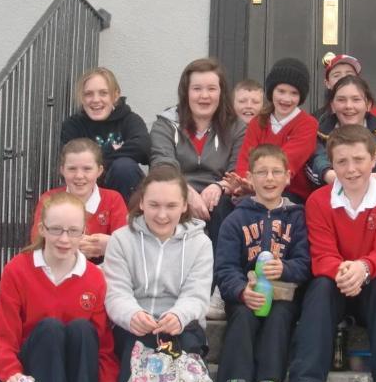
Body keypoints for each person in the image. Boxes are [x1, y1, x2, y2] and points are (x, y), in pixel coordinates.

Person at [103, 165, 221, 382]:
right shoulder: (120, 240)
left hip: (179, 326)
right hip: (135, 324)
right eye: (154, 205)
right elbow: (115, 292)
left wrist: (179, 316)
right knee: (137, 359)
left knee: (183, 366)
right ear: (141, 202)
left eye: (171, 206)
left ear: (184, 205)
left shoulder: (200, 242)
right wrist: (131, 315)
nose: (162, 214)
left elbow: (197, 294)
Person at [0, 191, 119, 382]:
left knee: (82, 329)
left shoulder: (94, 277)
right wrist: (9, 371)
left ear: (85, 232)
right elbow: (5, 333)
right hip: (37, 367)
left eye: (73, 231)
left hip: (76, 368)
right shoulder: (18, 270)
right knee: (50, 328)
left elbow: (102, 344)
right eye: (56, 230)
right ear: (42, 230)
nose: (64, 239)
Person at [287, 125, 376, 382]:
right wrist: (346, 270)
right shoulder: (318, 201)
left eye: (358, 160)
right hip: (337, 281)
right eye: (342, 162)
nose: (351, 169)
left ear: (375, 158)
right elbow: (321, 253)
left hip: (371, 283)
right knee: (320, 288)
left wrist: (363, 267)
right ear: (332, 165)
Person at [214, 145, 311, 382]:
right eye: (262, 172)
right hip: (246, 294)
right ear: (250, 177)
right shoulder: (235, 219)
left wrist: (286, 267)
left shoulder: (298, 218)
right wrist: (240, 291)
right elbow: (225, 267)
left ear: (288, 177)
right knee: (243, 317)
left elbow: (306, 262)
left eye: (276, 172)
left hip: (284, 296)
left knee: (280, 317)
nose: (269, 178)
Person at [149, 57, 246, 243]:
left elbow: (237, 170)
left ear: (221, 92)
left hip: (219, 196)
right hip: (175, 190)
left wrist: (219, 186)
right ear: (186, 93)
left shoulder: (237, 127)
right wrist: (184, 191)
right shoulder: (165, 124)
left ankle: (221, 271)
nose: (204, 96)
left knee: (225, 207)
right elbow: (162, 164)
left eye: (211, 89)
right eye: (197, 89)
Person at [230, 57, 319, 203]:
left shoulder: (308, 124)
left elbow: (287, 163)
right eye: (281, 91)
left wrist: (254, 184)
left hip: (290, 194)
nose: (286, 98)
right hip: (253, 188)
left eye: (294, 93)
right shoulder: (257, 122)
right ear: (272, 91)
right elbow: (245, 158)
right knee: (222, 206)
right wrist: (242, 181)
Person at [30, 139, 128, 264]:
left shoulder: (113, 199)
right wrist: (75, 245)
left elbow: (127, 246)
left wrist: (110, 245)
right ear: (62, 170)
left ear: (99, 171)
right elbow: (37, 241)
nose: (79, 176)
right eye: (72, 169)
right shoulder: (49, 199)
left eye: (87, 169)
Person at [60, 67, 150, 203]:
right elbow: (70, 161)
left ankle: (127, 222)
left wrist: (96, 158)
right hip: (87, 190)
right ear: (82, 98)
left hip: (123, 190)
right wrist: (114, 149)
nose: (96, 100)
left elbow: (144, 148)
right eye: (88, 94)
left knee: (124, 167)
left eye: (103, 93)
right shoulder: (73, 125)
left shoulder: (130, 120)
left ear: (115, 95)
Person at [307, 75, 376, 190]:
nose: (349, 106)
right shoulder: (321, 133)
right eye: (341, 100)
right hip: (331, 197)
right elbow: (315, 160)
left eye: (356, 99)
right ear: (332, 105)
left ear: (368, 104)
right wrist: (329, 175)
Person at [318, 53, 376, 124]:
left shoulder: (375, 113)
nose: (343, 78)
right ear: (327, 83)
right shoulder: (318, 118)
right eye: (336, 75)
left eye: (349, 74)